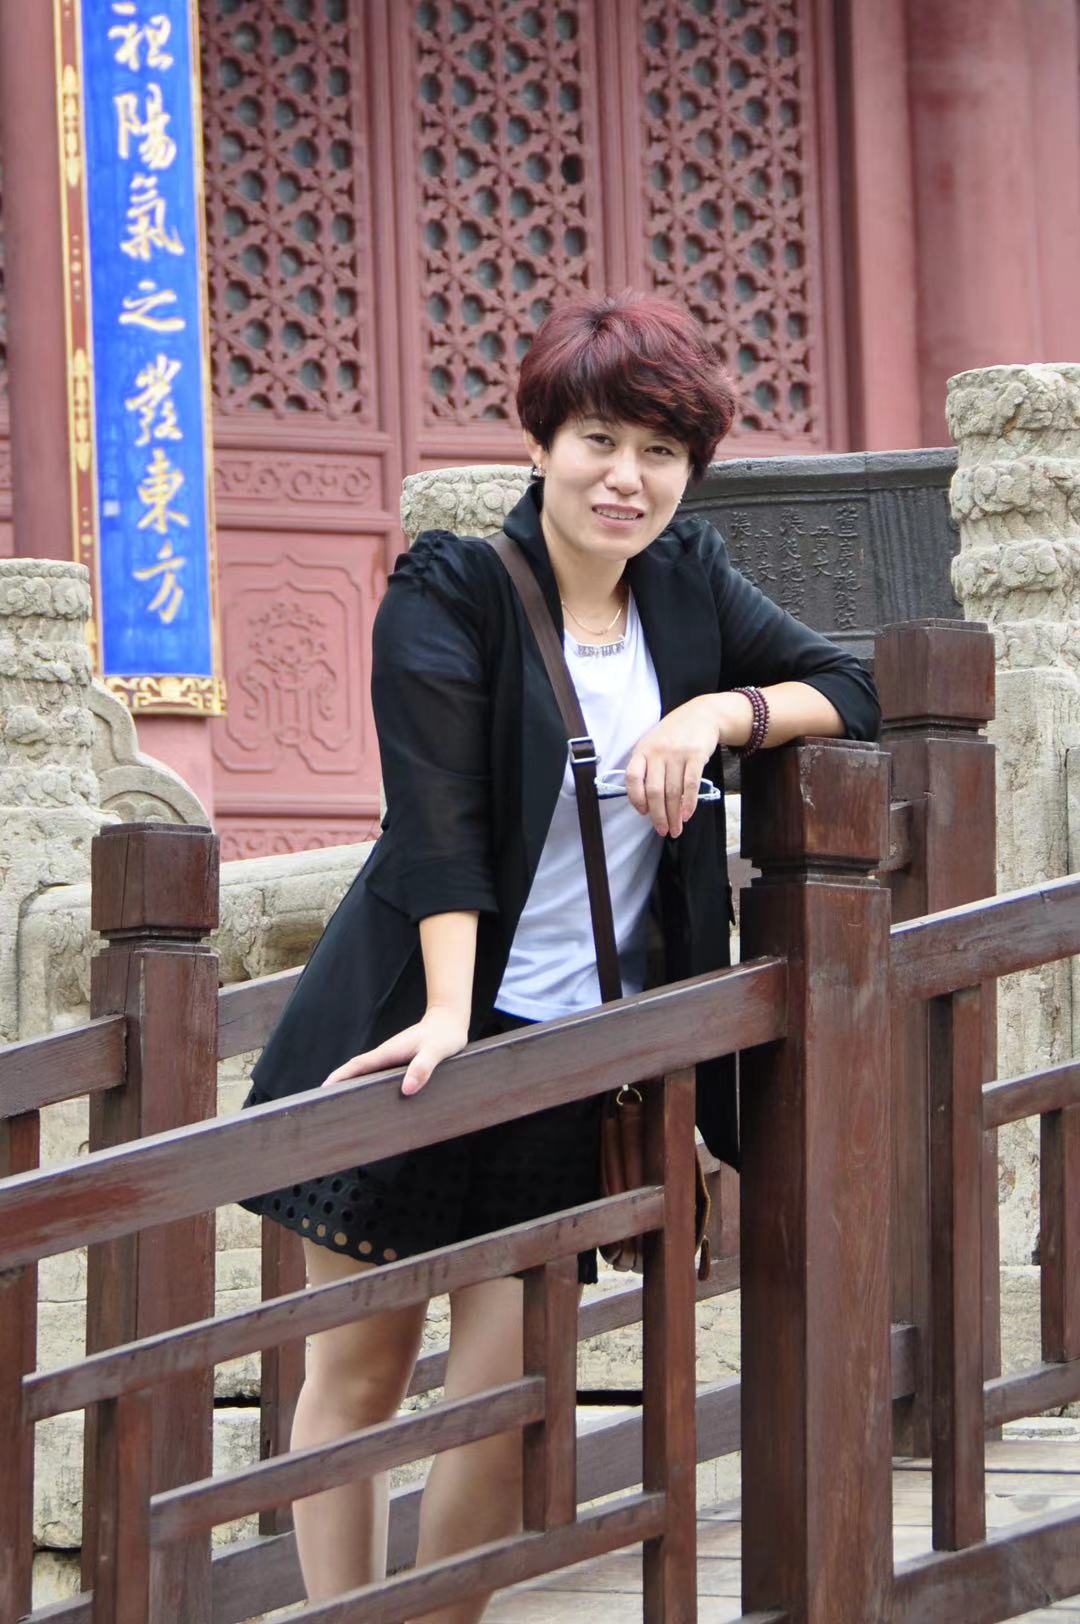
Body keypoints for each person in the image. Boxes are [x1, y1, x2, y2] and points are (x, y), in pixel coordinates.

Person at [240, 291, 880, 1620]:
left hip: (571, 1060)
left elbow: (854, 687)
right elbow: (436, 824)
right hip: (408, 1028)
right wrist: (451, 1015)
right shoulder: (451, 588)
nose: (626, 477)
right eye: (599, 440)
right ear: (539, 445)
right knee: (358, 1375)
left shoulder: (687, 585)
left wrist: (715, 714)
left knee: (508, 1396)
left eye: (660, 451)